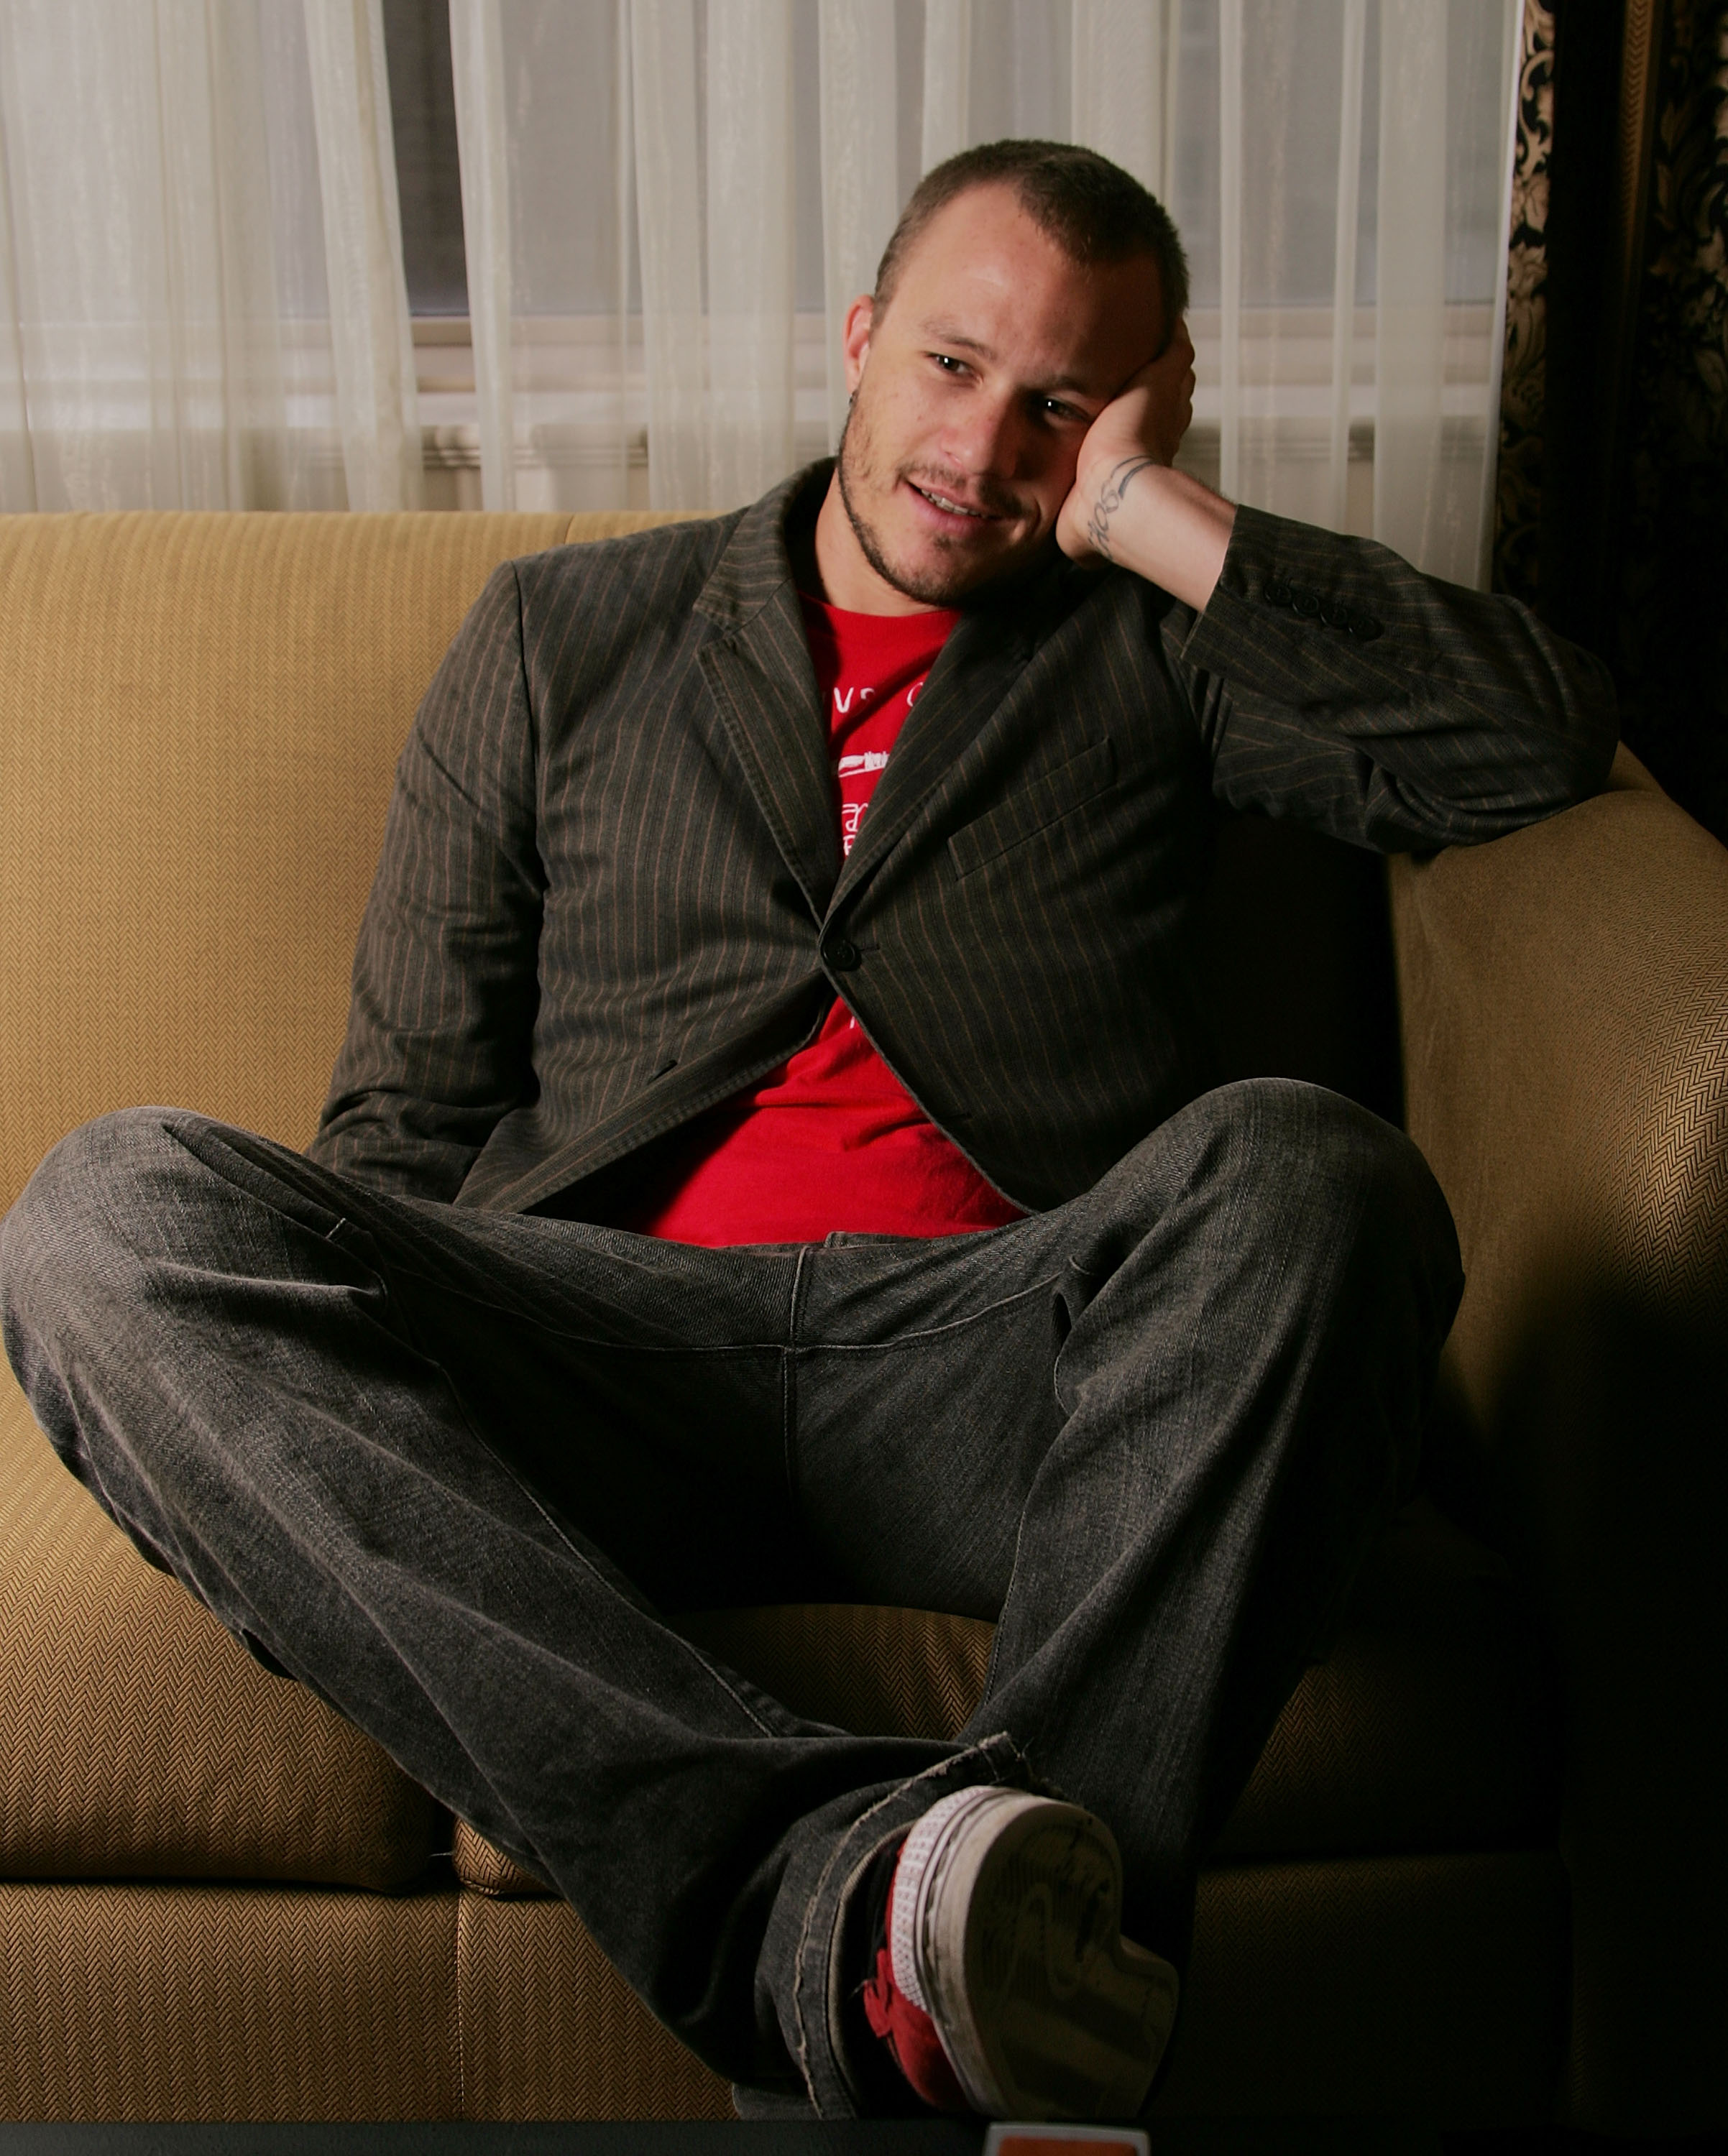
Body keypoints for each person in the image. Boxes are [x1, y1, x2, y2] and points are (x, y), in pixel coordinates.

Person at [0, 141, 1616, 2122]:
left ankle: (957, 1957)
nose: (980, 445)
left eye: (1056, 405)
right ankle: (853, 1920)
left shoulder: (1154, 643)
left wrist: (1145, 515)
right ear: (856, 342)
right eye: (948, 366)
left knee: (1310, 1168)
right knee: (106, 1205)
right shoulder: (562, 637)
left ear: (1135, 408)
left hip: (1001, 1367)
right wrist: (372, 1422)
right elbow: (400, 1130)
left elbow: (1527, 735)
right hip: (608, 1354)